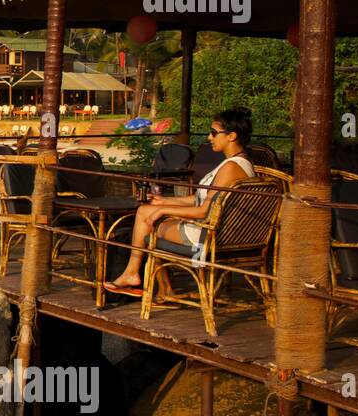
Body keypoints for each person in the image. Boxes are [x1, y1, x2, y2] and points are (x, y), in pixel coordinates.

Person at [104, 107, 256, 296]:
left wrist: (163, 211)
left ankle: (135, 274)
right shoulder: (239, 163)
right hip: (219, 230)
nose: (209, 137)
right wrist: (164, 201)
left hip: (210, 237)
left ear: (231, 136)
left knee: (147, 219)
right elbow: (201, 199)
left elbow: (205, 211)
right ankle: (156, 285)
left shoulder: (231, 168)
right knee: (149, 213)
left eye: (214, 133)